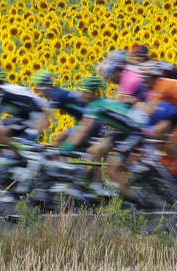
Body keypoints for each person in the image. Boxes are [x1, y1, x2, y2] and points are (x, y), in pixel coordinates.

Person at [61, 77, 150, 207]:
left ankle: (134, 200)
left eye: (84, 92)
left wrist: (65, 148)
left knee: (111, 169)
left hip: (133, 131)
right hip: (122, 131)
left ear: (92, 94)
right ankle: (97, 184)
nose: (81, 94)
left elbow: (83, 130)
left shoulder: (95, 106)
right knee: (94, 150)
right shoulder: (97, 104)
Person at [0, 67, 50, 163]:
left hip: (33, 116)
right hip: (23, 115)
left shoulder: (0, 92)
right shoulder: (0, 91)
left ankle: (20, 158)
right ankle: (2, 157)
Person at [30, 70, 102, 148]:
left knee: (60, 139)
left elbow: (45, 121)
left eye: (39, 89)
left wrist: (29, 136)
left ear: (44, 88)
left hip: (91, 124)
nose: (39, 92)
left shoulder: (57, 96)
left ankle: (61, 159)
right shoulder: (57, 92)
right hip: (91, 121)